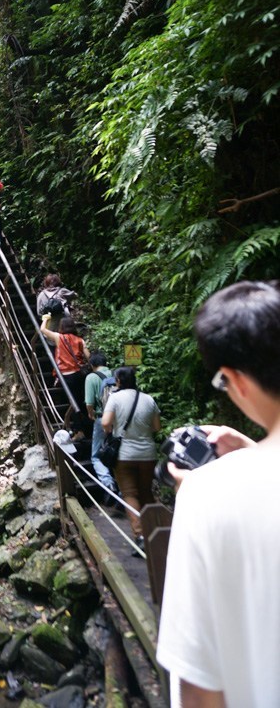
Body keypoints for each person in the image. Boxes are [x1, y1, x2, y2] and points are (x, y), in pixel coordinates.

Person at [157, 280, 280, 708]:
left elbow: (197, 689)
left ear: (236, 381)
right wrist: (252, 450)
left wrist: (207, 489)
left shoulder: (207, 495)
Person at [101, 366, 160, 548]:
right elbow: (156, 427)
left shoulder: (115, 398)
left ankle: (140, 535)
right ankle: (157, 531)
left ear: (118, 381)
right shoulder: (148, 399)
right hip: (148, 454)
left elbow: (105, 422)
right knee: (146, 492)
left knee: (130, 494)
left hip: (125, 455)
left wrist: (112, 431)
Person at [40, 315, 90, 437]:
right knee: (79, 400)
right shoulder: (80, 340)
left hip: (66, 376)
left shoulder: (59, 337)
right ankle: (87, 427)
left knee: (73, 402)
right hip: (79, 375)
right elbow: (89, 357)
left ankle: (79, 431)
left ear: (61, 327)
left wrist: (45, 319)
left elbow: (43, 330)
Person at [84, 351, 118, 497]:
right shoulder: (115, 374)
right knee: (115, 449)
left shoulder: (91, 377)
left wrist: (90, 414)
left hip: (102, 417)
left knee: (96, 455)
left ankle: (108, 483)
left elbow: (89, 402)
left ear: (92, 364)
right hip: (119, 418)